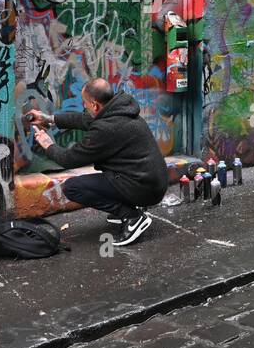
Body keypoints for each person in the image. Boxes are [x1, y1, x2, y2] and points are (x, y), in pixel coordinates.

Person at [26, 78, 169, 246]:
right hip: (151, 181)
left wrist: (47, 145)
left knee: (73, 187)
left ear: (95, 105)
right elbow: (83, 120)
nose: (84, 106)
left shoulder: (106, 128)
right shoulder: (120, 110)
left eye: (85, 103)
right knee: (105, 174)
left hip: (144, 188)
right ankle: (128, 209)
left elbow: (69, 159)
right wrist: (48, 118)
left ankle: (132, 217)